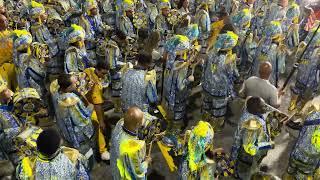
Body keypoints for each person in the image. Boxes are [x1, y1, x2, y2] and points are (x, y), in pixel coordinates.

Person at [16, 128, 90, 179]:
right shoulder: (72, 156)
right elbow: (84, 172)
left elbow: (20, 176)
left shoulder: (26, 164)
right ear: (58, 147)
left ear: (37, 147)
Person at [230, 97, 275, 180]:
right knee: (246, 173)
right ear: (256, 109)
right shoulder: (252, 125)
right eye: (263, 106)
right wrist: (268, 144)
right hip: (247, 156)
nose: (265, 107)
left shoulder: (248, 111)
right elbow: (250, 148)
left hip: (240, 145)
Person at [202, 31, 239, 131]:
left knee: (207, 103)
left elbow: (204, 67)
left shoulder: (210, 53)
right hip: (220, 89)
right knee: (218, 108)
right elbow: (233, 74)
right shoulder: (229, 59)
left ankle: (205, 119)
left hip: (207, 85)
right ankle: (216, 126)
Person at [54, 74, 95, 162]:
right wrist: (90, 108)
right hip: (78, 135)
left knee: (73, 153)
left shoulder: (57, 94)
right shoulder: (71, 101)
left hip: (66, 133)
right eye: (73, 83)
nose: (76, 84)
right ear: (68, 87)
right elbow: (81, 120)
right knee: (85, 155)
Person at [283, 95, 320, 180]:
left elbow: (302, 121)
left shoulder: (312, 114)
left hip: (298, 151)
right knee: (301, 176)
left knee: (290, 170)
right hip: (311, 160)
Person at [289, 25, 320, 111]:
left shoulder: (314, 28)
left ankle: (296, 105)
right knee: (303, 90)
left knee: (301, 89)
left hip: (307, 73)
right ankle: (296, 106)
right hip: (308, 75)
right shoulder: (315, 28)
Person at [84, 62, 110, 160]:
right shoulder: (96, 85)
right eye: (103, 73)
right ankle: (102, 151)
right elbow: (97, 105)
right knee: (99, 124)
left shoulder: (89, 70)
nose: (104, 76)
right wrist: (102, 121)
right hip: (88, 106)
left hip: (86, 100)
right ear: (97, 69)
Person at [110, 106, 144, 180]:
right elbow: (137, 173)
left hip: (116, 166)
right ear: (138, 125)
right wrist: (147, 162)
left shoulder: (119, 124)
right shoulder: (131, 147)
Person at [0, 76, 24, 165]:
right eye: (4, 91)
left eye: (6, 90)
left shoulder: (9, 98)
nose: (8, 93)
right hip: (9, 150)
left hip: (19, 141)